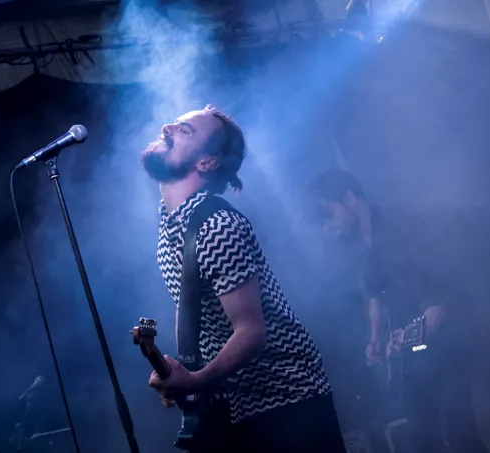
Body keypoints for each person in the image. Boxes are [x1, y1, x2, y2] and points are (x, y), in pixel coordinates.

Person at [140, 105, 346, 453]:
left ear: (207, 162)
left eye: (185, 130)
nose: (167, 127)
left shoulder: (217, 225)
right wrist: (182, 375)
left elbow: (251, 332)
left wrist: (195, 380)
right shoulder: (170, 224)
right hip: (228, 404)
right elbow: (187, 305)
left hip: (284, 401)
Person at [302, 167, 490, 453]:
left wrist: (406, 338)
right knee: (423, 439)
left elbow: (438, 307)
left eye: (327, 213)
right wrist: (375, 339)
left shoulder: (403, 229)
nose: (327, 227)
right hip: (415, 349)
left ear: (349, 198)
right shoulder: (357, 243)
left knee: (460, 434)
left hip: (449, 342)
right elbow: (375, 292)